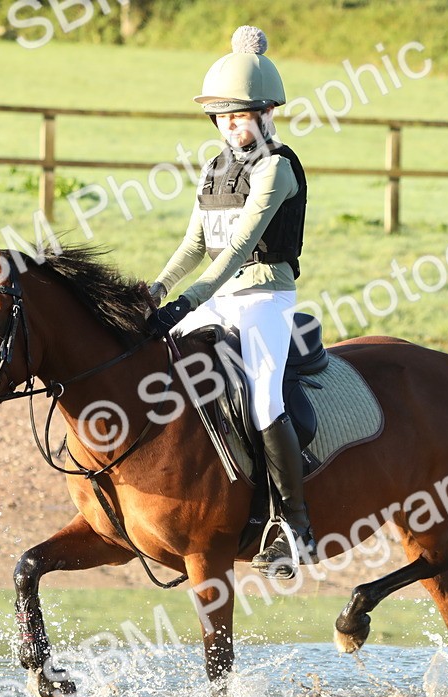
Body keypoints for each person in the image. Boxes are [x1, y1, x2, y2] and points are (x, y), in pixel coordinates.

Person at [146, 25, 313, 578]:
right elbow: (195, 245)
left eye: (241, 116)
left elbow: (239, 247)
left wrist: (187, 299)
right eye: (223, 117)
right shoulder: (216, 168)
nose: (231, 126)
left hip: (264, 296)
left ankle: (294, 527)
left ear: (266, 114)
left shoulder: (276, 168)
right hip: (215, 296)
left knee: (264, 398)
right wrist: (157, 290)